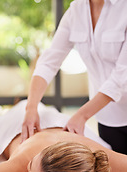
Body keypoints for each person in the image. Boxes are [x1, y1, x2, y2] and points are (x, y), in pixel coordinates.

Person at [21, 0, 127, 154]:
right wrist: (31, 107)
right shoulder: (76, 10)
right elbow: (49, 62)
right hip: (107, 117)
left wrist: (81, 115)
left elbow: (121, 76)